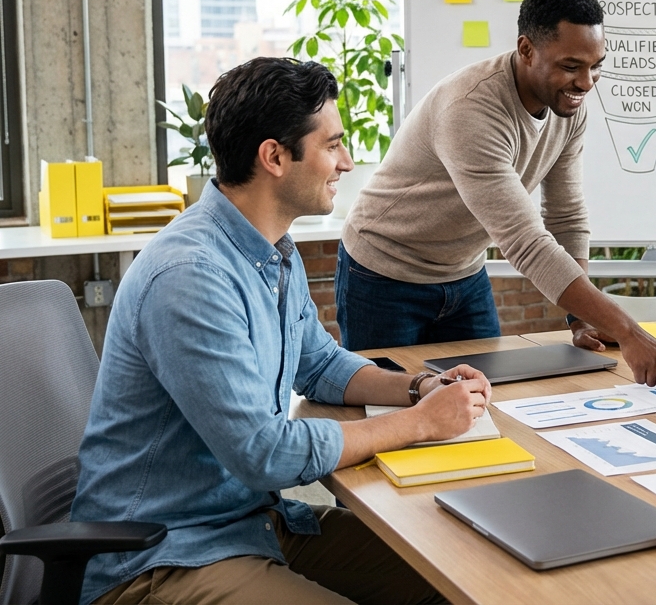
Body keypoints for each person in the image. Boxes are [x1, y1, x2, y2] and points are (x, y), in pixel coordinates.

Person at [71, 58, 491, 605]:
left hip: (251, 524)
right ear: (274, 156)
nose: (346, 161)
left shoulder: (272, 252)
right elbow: (264, 454)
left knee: (454, 578)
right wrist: (416, 425)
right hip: (161, 557)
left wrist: (417, 388)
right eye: (333, 144)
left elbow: (318, 363)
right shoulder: (190, 277)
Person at [337, 0, 656, 391]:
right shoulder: (470, 110)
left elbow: (566, 215)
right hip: (384, 273)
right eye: (571, 65)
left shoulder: (569, 104)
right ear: (526, 50)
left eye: (596, 65)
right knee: (389, 406)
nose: (587, 82)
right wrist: (630, 332)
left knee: (486, 399)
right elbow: (527, 243)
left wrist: (582, 319)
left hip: (463, 273)